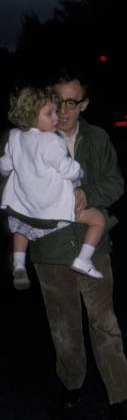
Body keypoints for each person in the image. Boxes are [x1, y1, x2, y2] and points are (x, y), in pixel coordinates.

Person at [23, 73, 127, 420]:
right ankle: (72, 385)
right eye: (57, 101)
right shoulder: (29, 140)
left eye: (71, 102)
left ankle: (121, 399)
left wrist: (86, 194)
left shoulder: (98, 138)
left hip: (94, 246)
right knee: (64, 325)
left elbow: (115, 182)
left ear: (83, 105)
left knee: (105, 323)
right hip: (51, 250)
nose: (63, 110)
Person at [0, 86, 106, 290]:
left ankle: (19, 264)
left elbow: (4, 166)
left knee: (21, 227)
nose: (56, 117)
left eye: (55, 112)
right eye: (50, 113)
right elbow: (68, 170)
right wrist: (79, 170)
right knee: (98, 220)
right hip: (52, 210)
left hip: (26, 208)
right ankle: (83, 260)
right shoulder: (51, 141)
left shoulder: (14, 137)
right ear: (31, 116)